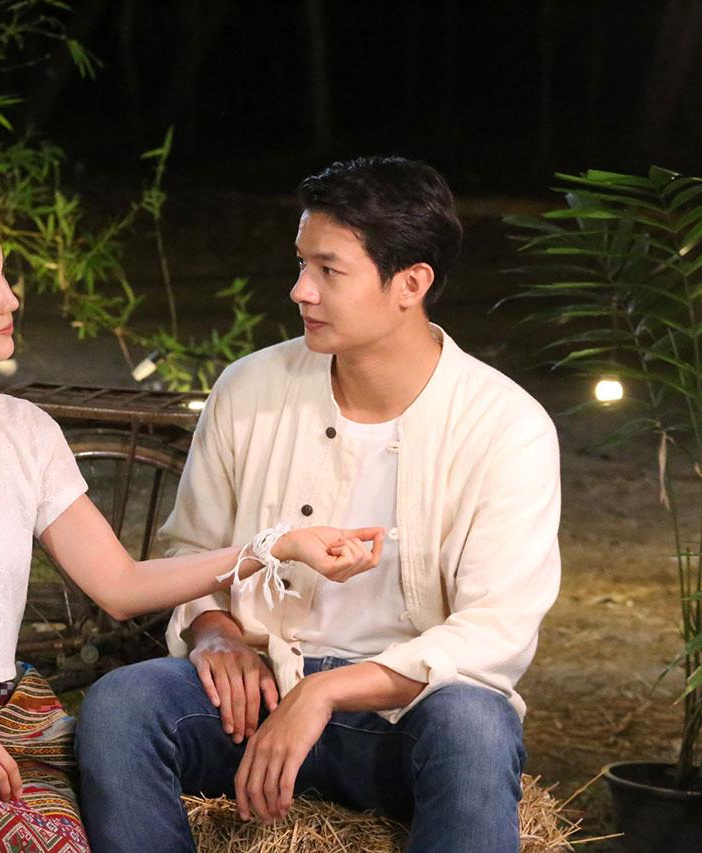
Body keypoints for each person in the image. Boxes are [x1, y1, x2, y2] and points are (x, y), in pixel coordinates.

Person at [0, 198, 385, 853]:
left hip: (8, 724)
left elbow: (121, 585)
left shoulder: (24, 433)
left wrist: (274, 546)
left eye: (4, 278)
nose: (12, 300)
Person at [75, 156, 562, 853]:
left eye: (329, 270)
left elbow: (496, 629)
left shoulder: (505, 426)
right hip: (254, 700)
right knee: (122, 705)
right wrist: (214, 631)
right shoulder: (250, 388)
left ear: (411, 284)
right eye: (301, 263)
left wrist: (326, 692)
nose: (300, 289)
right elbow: (192, 549)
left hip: (407, 717)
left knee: (476, 726)